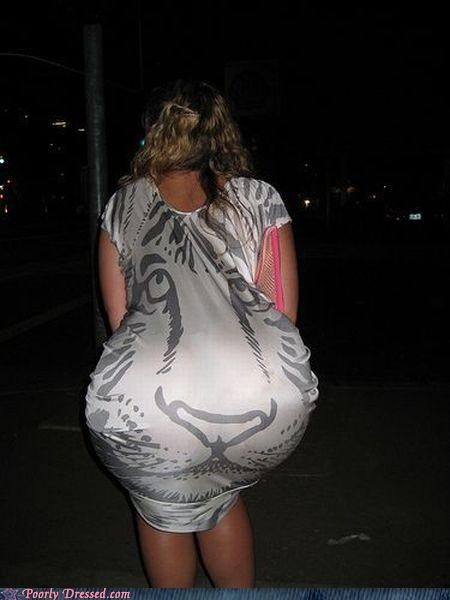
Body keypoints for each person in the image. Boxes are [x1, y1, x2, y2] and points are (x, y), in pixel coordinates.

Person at [84, 78, 319, 588]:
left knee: (159, 507)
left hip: (153, 402)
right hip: (259, 397)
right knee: (220, 497)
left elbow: (123, 323)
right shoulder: (259, 198)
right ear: (221, 132)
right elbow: (282, 314)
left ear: (154, 131)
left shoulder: (123, 206)